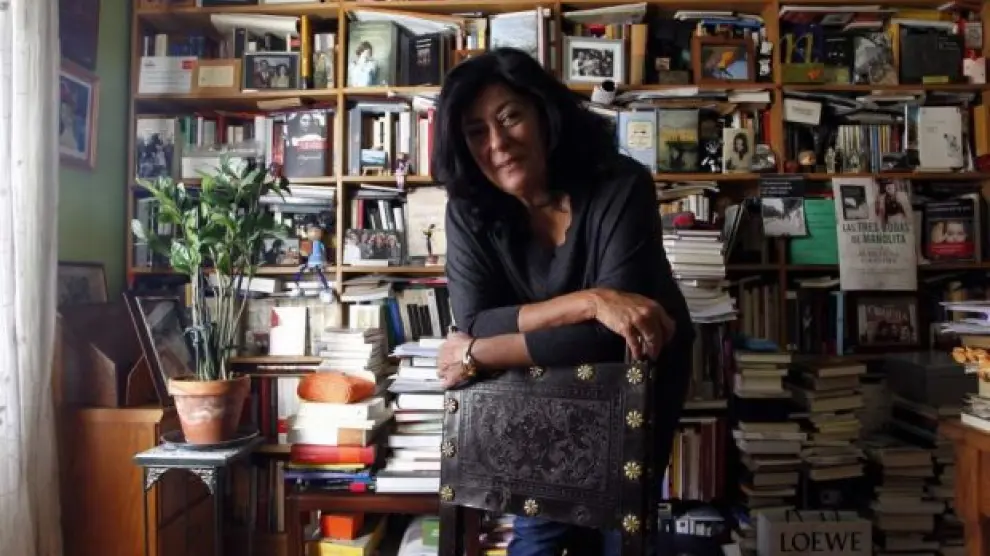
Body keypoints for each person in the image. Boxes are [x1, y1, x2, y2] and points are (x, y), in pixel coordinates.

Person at [431, 47, 694, 556]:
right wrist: (593, 302)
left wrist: (478, 354)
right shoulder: (468, 209)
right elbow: (478, 319)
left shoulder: (620, 185)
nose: (498, 143)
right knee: (541, 529)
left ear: (544, 114)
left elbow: (611, 341)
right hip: (536, 386)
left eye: (510, 117)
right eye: (476, 131)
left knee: (621, 528)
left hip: (635, 378)